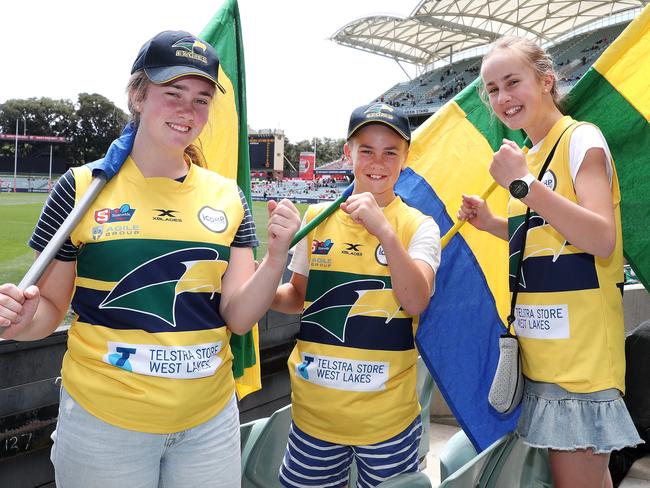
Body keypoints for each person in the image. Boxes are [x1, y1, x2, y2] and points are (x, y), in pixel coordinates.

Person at [0, 30, 300, 487]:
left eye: (201, 99)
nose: (187, 110)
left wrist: (277, 256)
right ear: (138, 95)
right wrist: (20, 320)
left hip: (208, 424)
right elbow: (50, 309)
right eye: (173, 92)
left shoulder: (228, 197)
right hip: (104, 425)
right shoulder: (81, 190)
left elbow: (238, 317)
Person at [457, 36, 642, 488]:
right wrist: (492, 223)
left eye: (512, 82)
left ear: (546, 81)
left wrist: (523, 186)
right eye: (492, 89)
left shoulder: (582, 139)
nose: (502, 97)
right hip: (543, 356)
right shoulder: (531, 156)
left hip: (578, 363)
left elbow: (599, 237)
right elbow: (545, 236)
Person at [272, 103, 441, 488]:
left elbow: (416, 301)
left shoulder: (419, 226)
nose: (377, 161)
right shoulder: (317, 216)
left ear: (406, 158)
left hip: (388, 422)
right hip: (314, 417)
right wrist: (256, 284)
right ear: (348, 153)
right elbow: (297, 297)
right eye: (366, 149)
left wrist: (385, 232)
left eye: (390, 151)